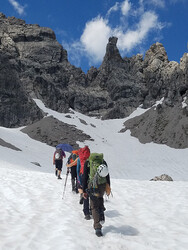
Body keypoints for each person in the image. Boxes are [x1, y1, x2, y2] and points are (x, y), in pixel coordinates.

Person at [82, 153, 111, 237]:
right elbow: (107, 175)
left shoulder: (88, 162)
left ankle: (98, 227)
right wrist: (108, 186)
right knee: (100, 198)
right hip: (102, 184)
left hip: (92, 185)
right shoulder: (103, 161)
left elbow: (84, 176)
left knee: (94, 206)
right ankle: (101, 211)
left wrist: (84, 190)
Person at [77, 146, 91, 220]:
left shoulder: (80, 158)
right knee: (91, 193)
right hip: (90, 177)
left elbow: (78, 170)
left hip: (83, 176)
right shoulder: (91, 158)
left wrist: (79, 180)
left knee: (85, 192)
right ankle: (92, 210)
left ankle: (86, 213)